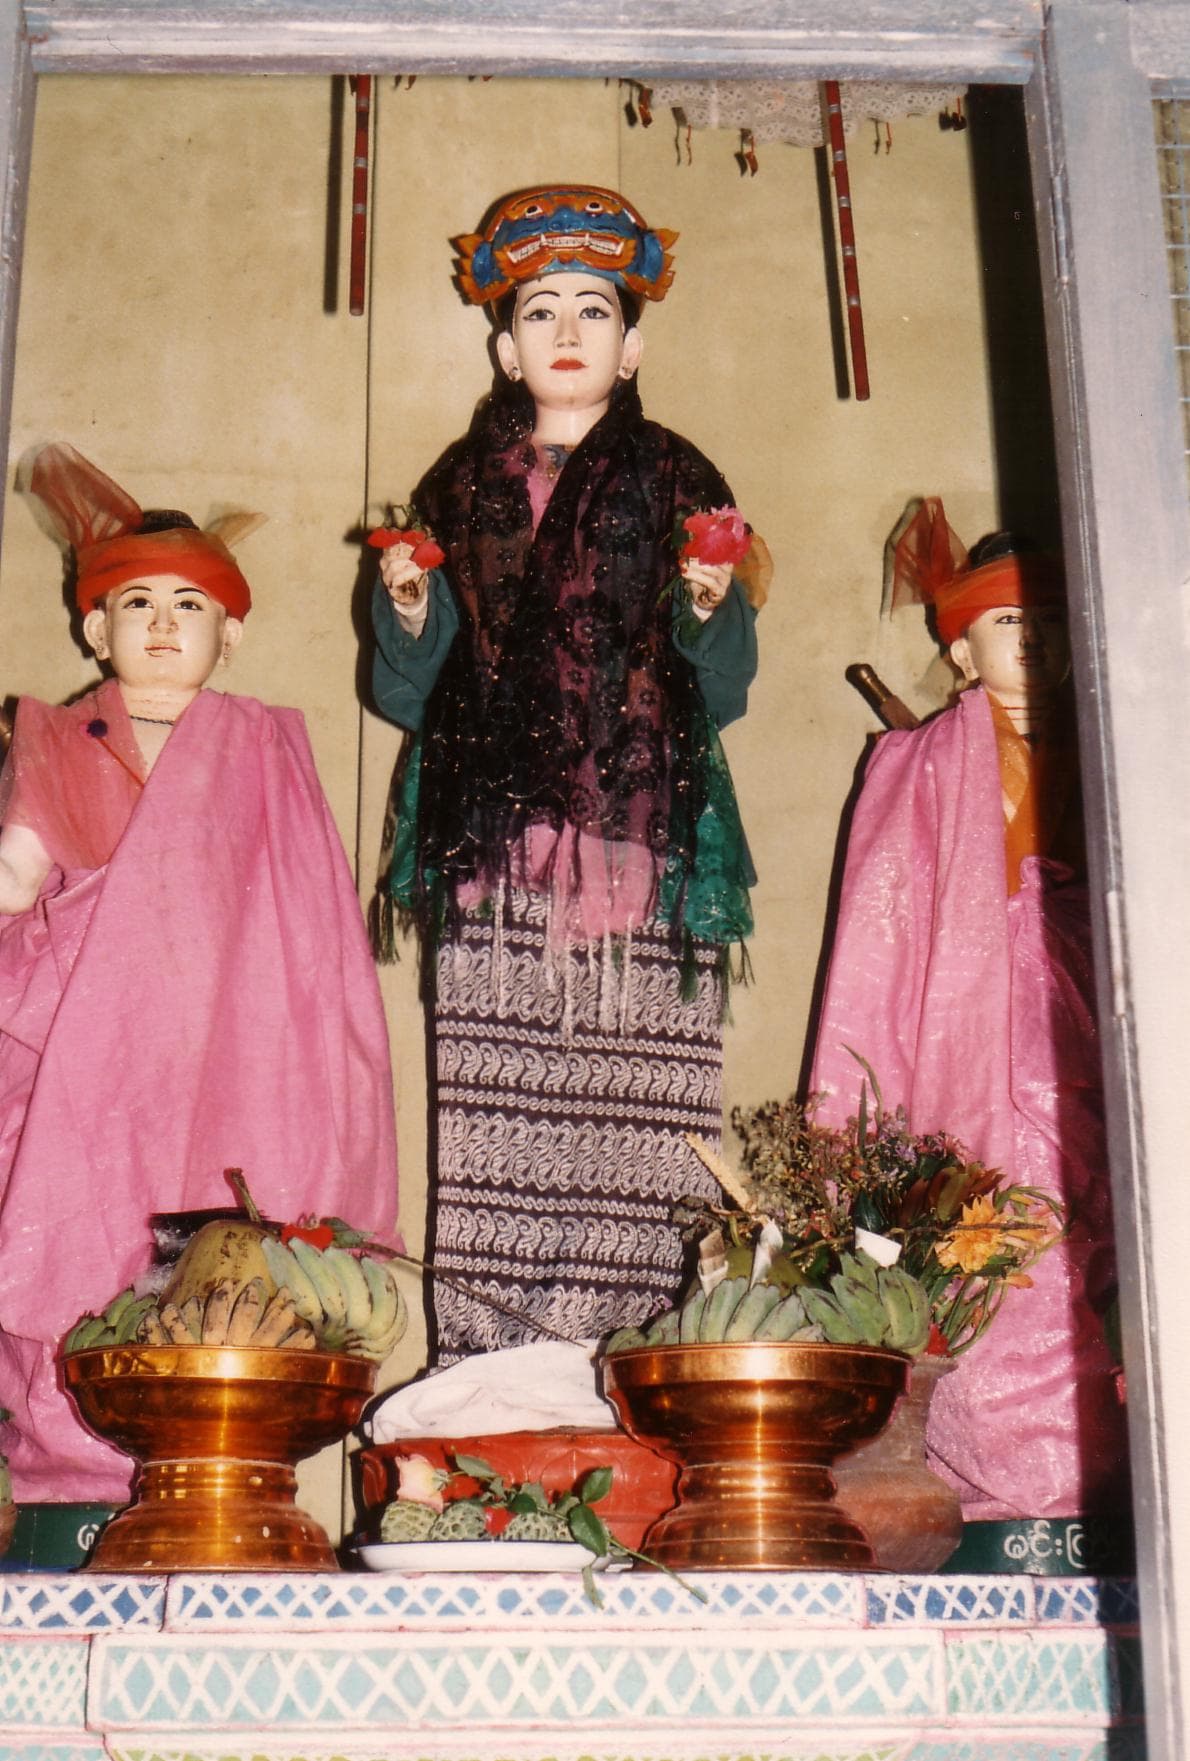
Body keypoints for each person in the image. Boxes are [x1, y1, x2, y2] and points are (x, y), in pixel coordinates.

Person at [371, 185, 763, 1363]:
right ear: (503, 342)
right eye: (539, 310)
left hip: (642, 840)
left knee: (644, 1128)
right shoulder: (457, 487)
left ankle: (633, 1384)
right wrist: (404, 608)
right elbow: (404, 691)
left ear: (632, 342)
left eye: (593, 308)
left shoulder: (680, 478)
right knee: (493, 1117)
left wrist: (705, 608)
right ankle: (488, 1399)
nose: (566, 331)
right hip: (494, 843)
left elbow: (725, 683)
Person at [0, 443, 399, 1502]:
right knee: (75, 1258)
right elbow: (17, 875)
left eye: (190, 604)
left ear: (232, 632)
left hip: (226, 1061)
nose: (164, 624)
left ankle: (215, 1485)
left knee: (217, 1275)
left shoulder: (265, 749)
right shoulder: (53, 736)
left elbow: (308, 934)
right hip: (80, 1053)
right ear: (96, 628)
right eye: (136, 604)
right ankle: (63, 1495)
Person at [811, 498, 1130, 1522]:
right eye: (1004, 623)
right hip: (976, 1049)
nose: (1028, 642)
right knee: (1001, 1264)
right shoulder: (914, 767)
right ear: (956, 646)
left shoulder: (1124, 754)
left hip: (1098, 1043)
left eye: (1047, 624)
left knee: (1106, 1263)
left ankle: (1114, 1487)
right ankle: (1006, 1496)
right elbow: (882, 932)